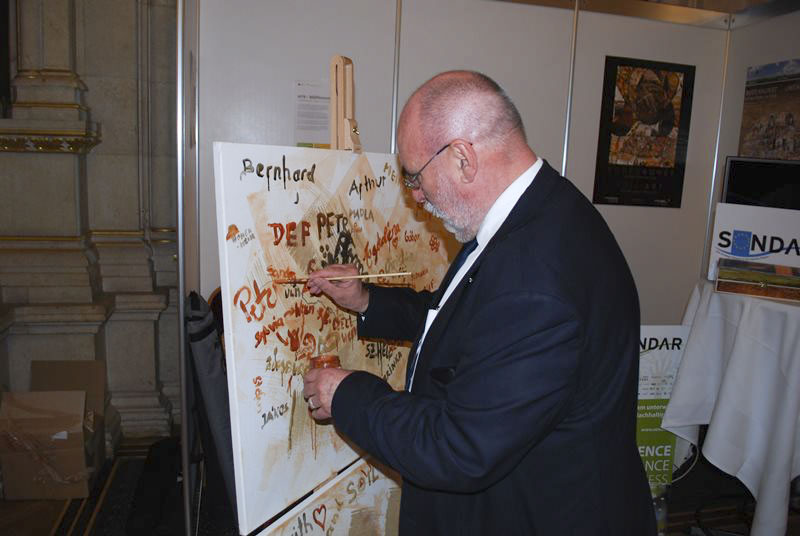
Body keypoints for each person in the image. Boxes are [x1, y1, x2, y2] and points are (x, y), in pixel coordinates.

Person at [302, 70, 656, 535]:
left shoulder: (535, 278)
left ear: (462, 158)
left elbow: (459, 448)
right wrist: (367, 299)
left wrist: (345, 393)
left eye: (415, 176)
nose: (416, 196)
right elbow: (471, 323)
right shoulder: (538, 210)